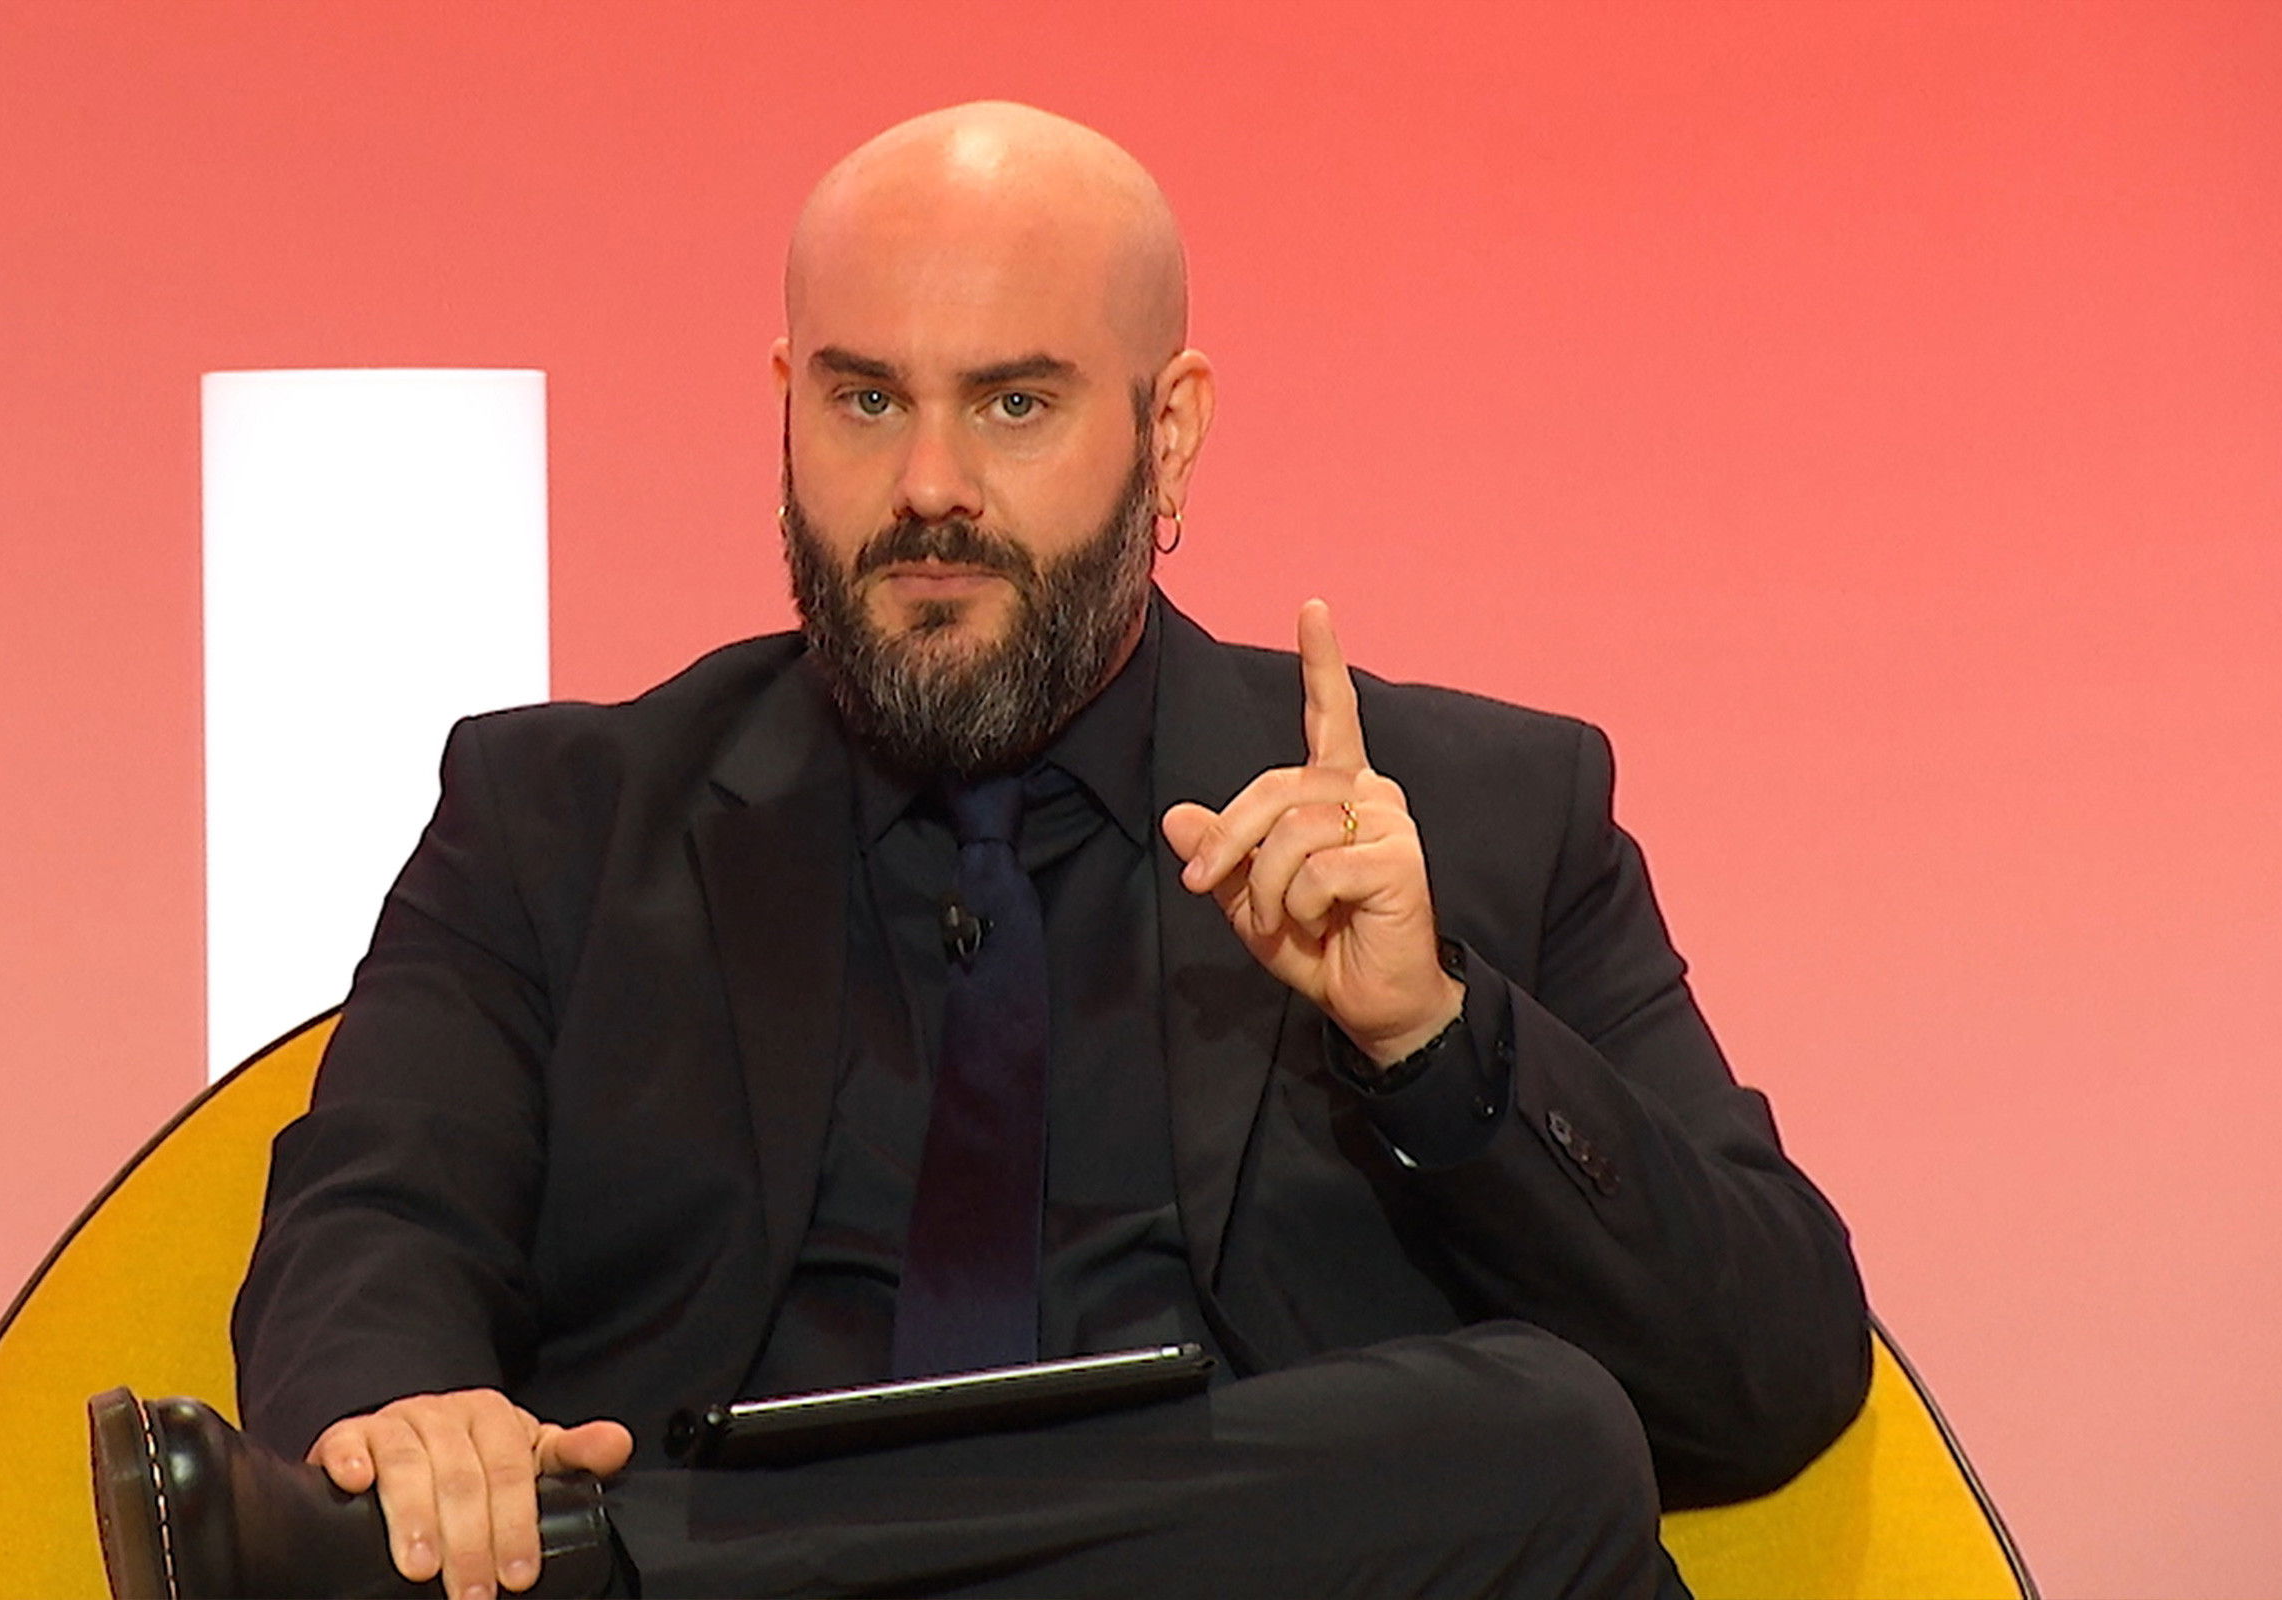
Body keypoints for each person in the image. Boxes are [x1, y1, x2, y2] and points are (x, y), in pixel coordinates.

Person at [232, 101, 1869, 1600]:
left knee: (1540, 1440)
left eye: (1014, 403)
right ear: (786, 407)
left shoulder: (1479, 812)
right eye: (866, 399)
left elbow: (1775, 1372)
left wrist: (1434, 1041)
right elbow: (374, 1223)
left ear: (1171, 433)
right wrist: (411, 1422)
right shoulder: (557, 821)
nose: (927, 485)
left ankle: (635, 1568)